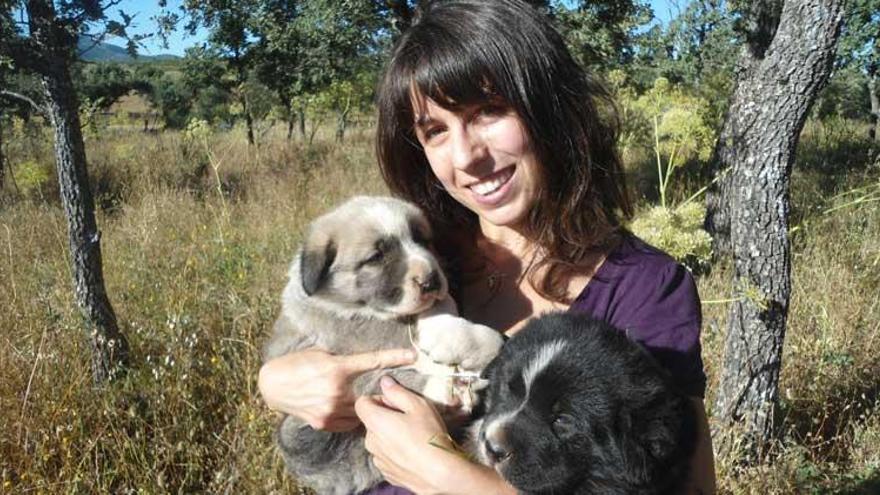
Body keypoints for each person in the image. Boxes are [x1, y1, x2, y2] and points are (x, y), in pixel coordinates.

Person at [258, 0, 717, 493]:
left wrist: (445, 474)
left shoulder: (642, 289)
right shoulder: (425, 259)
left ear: (549, 105)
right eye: (435, 131)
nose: (466, 157)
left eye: (489, 112)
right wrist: (275, 383)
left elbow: (686, 487)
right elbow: (313, 341)